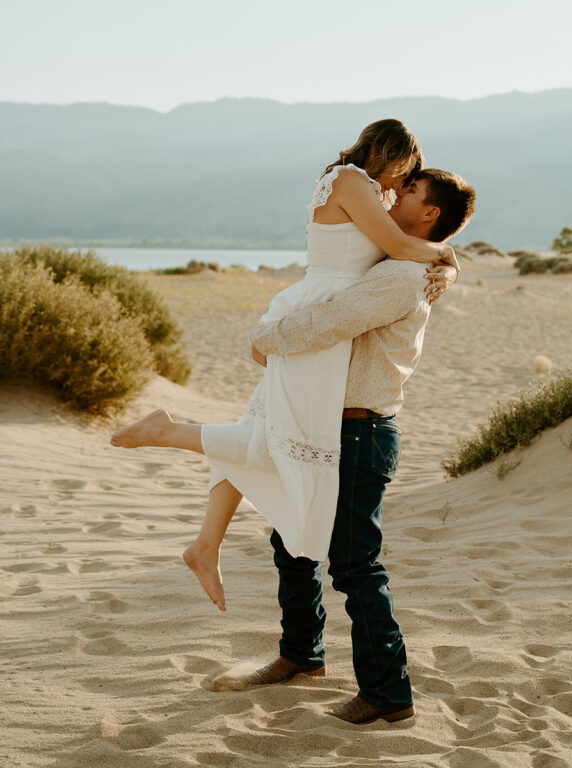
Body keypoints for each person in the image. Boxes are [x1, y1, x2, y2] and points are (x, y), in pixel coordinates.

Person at [110, 120, 460, 613]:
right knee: (278, 441)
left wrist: (446, 261)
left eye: (410, 184)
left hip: (329, 323)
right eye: (406, 173)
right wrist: (449, 254)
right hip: (318, 318)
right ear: (394, 154)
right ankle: (170, 435)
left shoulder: (367, 191)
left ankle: (205, 544)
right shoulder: (350, 181)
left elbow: (398, 249)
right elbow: (402, 248)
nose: (402, 186)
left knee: (265, 429)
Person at [209, 167, 476, 724]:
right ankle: (301, 656)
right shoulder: (398, 260)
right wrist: (450, 261)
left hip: (359, 432)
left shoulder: (403, 274)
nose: (394, 194)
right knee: (291, 541)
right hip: (324, 424)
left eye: (409, 192)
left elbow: (335, 319)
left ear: (429, 215)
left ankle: (387, 695)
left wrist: (267, 341)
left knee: (356, 568)